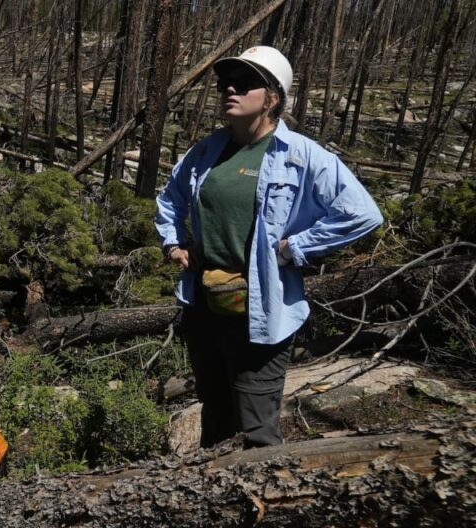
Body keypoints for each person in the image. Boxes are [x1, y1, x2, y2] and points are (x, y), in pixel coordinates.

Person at [155, 46, 383, 449]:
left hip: (260, 310)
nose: (230, 90)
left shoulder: (300, 155)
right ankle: (204, 501)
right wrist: (174, 243)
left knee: (258, 428)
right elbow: (171, 197)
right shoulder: (207, 151)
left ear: (273, 97)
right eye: (226, 83)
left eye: (244, 84)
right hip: (205, 304)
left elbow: (361, 213)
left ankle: (270, 499)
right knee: (216, 413)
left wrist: (295, 248)